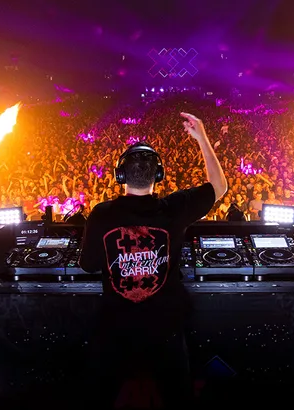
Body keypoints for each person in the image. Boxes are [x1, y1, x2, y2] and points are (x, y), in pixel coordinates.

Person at [78, 112, 227, 409]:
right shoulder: (174, 209)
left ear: (120, 176)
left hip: (116, 327)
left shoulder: (101, 214)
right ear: (158, 176)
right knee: (178, 398)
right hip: (165, 327)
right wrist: (201, 137)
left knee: (100, 398)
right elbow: (219, 187)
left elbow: (88, 264)